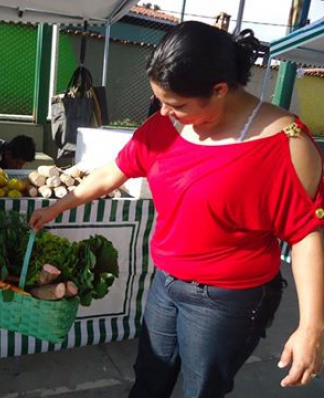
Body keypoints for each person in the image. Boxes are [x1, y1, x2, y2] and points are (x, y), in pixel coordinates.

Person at [29, 21, 324, 398]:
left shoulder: (284, 145)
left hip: (227, 298)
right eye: (162, 102)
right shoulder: (164, 128)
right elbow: (112, 173)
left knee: (202, 388)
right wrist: (59, 207)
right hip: (166, 283)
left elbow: (305, 236)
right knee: (150, 376)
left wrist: (311, 326)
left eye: (177, 104)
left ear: (219, 90)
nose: (165, 113)